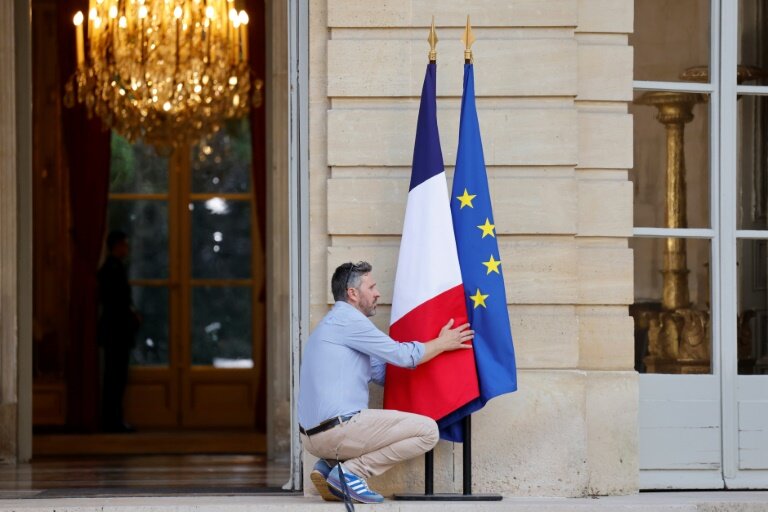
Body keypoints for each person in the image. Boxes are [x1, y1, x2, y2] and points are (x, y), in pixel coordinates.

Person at [298, 261, 474, 504]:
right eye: (372, 287)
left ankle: (329, 466)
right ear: (352, 293)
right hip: (338, 430)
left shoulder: (332, 324)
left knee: (392, 422)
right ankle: (350, 472)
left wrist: (435, 369)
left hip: (313, 437)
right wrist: (443, 343)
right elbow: (403, 356)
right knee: (428, 431)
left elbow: (383, 374)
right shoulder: (350, 321)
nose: (378, 293)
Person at [97, 230, 140, 433]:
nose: (127, 248)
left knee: (115, 377)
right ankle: (112, 420)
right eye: (124, 244)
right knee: (115, 377)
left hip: (116, 330)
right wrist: (130, 315)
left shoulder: (113, 268)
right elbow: (116, 302)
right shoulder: (111, 270)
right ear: (116, 246)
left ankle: (114, 419)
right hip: (117, 331)